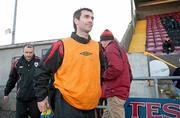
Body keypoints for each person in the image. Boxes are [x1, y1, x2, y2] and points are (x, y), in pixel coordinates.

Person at [34, 8, 104, 118]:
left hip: (91, 105)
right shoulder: (62, 45)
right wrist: (41, 97)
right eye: (86, 17)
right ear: (76, 21)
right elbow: (42, 70)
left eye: (92, 18)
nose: (91, 20)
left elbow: (102, 72)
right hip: (67, 103)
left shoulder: (97, 47)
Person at [100, 29, 132, 118]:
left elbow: (116, 68)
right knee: (107, 115)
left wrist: (103, 75)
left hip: (115, 91)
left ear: (104, 41)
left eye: (101, 42)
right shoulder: (119, 48)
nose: (101, 45)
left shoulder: (110, 49)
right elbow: (129, 71)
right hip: (119, 89)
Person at [3, 44, 41, 118]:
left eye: (30, 52)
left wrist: (45, 96)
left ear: (33, 52)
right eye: (26, 52)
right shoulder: (17, 63)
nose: (28, 54)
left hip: (35, 98)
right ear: (23, 52)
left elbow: (44, 78)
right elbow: (12, 79)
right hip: (21, 99)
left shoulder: (39, 61)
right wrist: (6, 92)